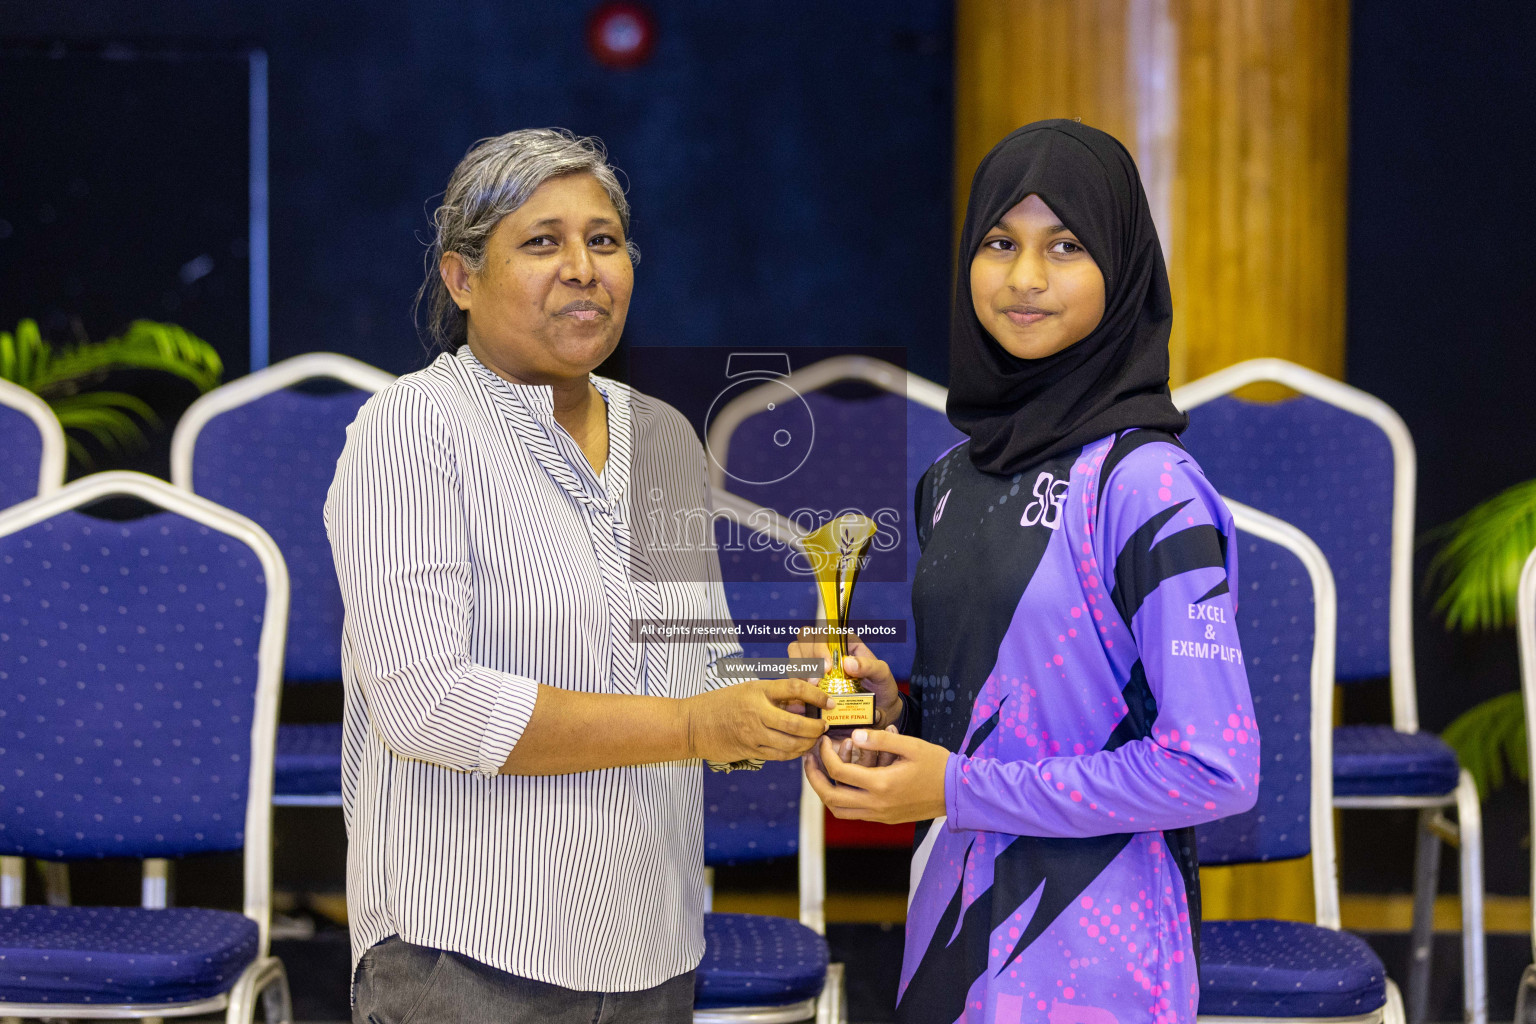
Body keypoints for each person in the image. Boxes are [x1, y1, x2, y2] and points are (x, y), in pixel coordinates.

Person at [326, 128, 832, 1024]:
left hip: (654, 945)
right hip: (468, 953)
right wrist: (690, 721)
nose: (583, 267)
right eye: (540, 241)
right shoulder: (410, 433)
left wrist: (793, 700)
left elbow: (697, 681)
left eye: (603, 240)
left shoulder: (667, 440)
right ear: (459, 278)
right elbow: (426, 705)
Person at [796, 120, 1260, 1023]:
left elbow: (1215, 767)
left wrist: (956, 788)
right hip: (950, 927)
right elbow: (994, 712)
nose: (1024, 279)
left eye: (1067, 246)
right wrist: (894, 711)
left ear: (1121, 270)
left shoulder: (1149, 485)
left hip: (1097, 951)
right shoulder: (952, 480)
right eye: (1000, 243)